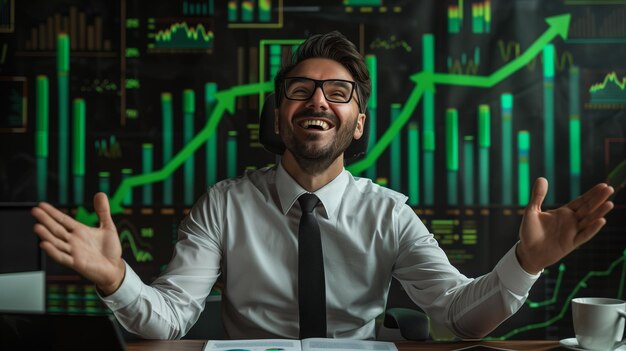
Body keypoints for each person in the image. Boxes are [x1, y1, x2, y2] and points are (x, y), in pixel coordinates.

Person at [32, 31, 615, 340]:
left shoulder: (389, 214)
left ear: (358, 122)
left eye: (338, 93)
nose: (318, 101)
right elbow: (170, 320)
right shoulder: (225, 204)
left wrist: (526, 264)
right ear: (278, 115)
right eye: (301, 90)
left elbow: (458, 316)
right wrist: (116, 279)